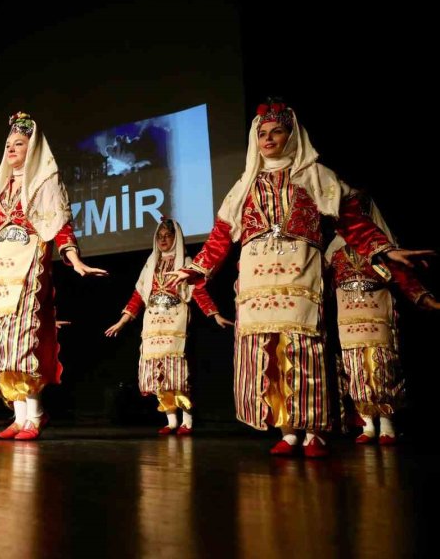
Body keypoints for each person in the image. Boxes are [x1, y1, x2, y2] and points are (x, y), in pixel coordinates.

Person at [170, 100, 432, 457]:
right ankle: (287, 431)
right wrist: (195, 268)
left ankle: (313, 432)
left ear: (291, 135)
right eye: (262, 133)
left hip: (300, 272)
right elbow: (220, 235)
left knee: (303, 349)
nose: (268, 138)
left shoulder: (315, 176)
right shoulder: (244, 186)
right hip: (255, 280)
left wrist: (383, 250)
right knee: (268, 354)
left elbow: (352, 221)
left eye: (276, 131)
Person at [0, 111, 107, 440]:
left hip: (30, 265)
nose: (11, 149)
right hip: (1, 271)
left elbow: (59, 226)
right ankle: (20, 417)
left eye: (19, 144)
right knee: (0, 342)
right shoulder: (0, 192)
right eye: (8, 144)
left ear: (33, 150)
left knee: (21, 339)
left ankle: (34, 415)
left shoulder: (45, 184)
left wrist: (75, 260)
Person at [326, 197, 440, 445]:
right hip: (347, 318)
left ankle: (387, 424)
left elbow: (404, 278)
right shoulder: (333, 253)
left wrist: (425, 299)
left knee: (381, 366)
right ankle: (367, 425)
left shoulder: (382, 250)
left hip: (377, 313)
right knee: (354, 368)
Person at [105, 218, 232, 435]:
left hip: (175, 318)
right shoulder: (150, 263)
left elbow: (198, 291)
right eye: (160, 236)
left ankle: (187, 421)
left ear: (176, 237)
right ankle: (171, 420)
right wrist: (122, 322)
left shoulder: (187, 262)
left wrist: (215, 314)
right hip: (153, 320)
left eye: (168, 235)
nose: (163, 240)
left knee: (177, 372)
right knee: (158, 372)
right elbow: (139, 295)